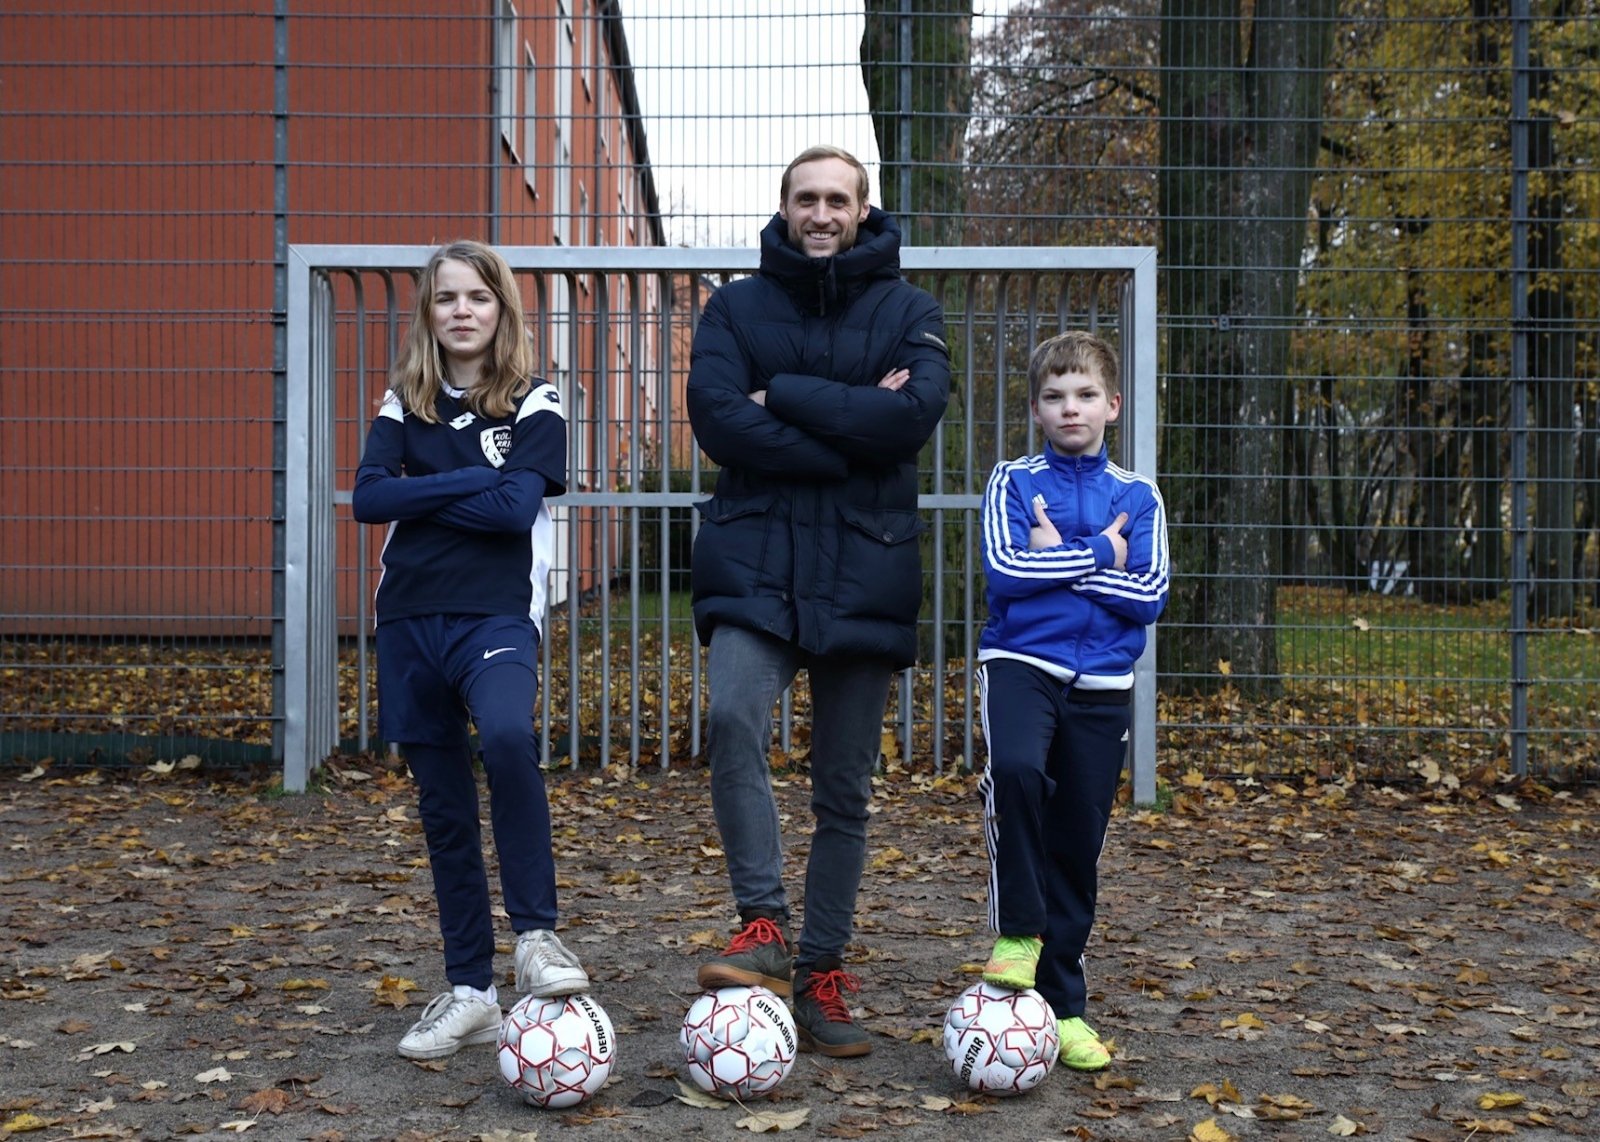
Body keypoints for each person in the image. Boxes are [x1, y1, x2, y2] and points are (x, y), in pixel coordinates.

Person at [686, 145, 950, 1058]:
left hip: (864, 569)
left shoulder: (910, 309)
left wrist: (787, 397)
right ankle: (762, 923)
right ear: (785, 208)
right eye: (807, 198)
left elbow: (912, 418)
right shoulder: (735, 305)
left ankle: (822, 972)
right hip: (755, 561)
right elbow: (719, 418)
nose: (822, 213)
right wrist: (847, 436)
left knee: (845, 789)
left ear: (863, 209)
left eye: (839, 198)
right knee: (730, 718)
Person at [351, 239, 588, 1061]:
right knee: (445, 810)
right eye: (446, 297)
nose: (462, 310)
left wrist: (421, 491)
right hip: (410, 620)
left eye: (477, 298)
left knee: (511, 737)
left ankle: (536, 937)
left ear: (501, 310)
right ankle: (470, 992)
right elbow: (368, 498)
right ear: (429, 311)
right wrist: (462, 483)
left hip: (494, 617)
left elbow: (515, 507)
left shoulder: (536, 399)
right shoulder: (400, 402)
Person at [975, 330, 1169, 1071]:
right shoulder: (1013, 482)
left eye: (1086, 394)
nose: (1071, 408)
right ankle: (1019, 934)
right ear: (1036, 408)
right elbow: (1004, 571)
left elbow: (1148, 595)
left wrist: (1054, 559)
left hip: (1104, 684)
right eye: (1055, 396)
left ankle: (1064, 1006)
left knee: (1079, 843)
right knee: (1019, 774)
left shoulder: (1138, 495)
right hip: (1022, 662)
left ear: (1112, 405)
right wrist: (1099, 555)